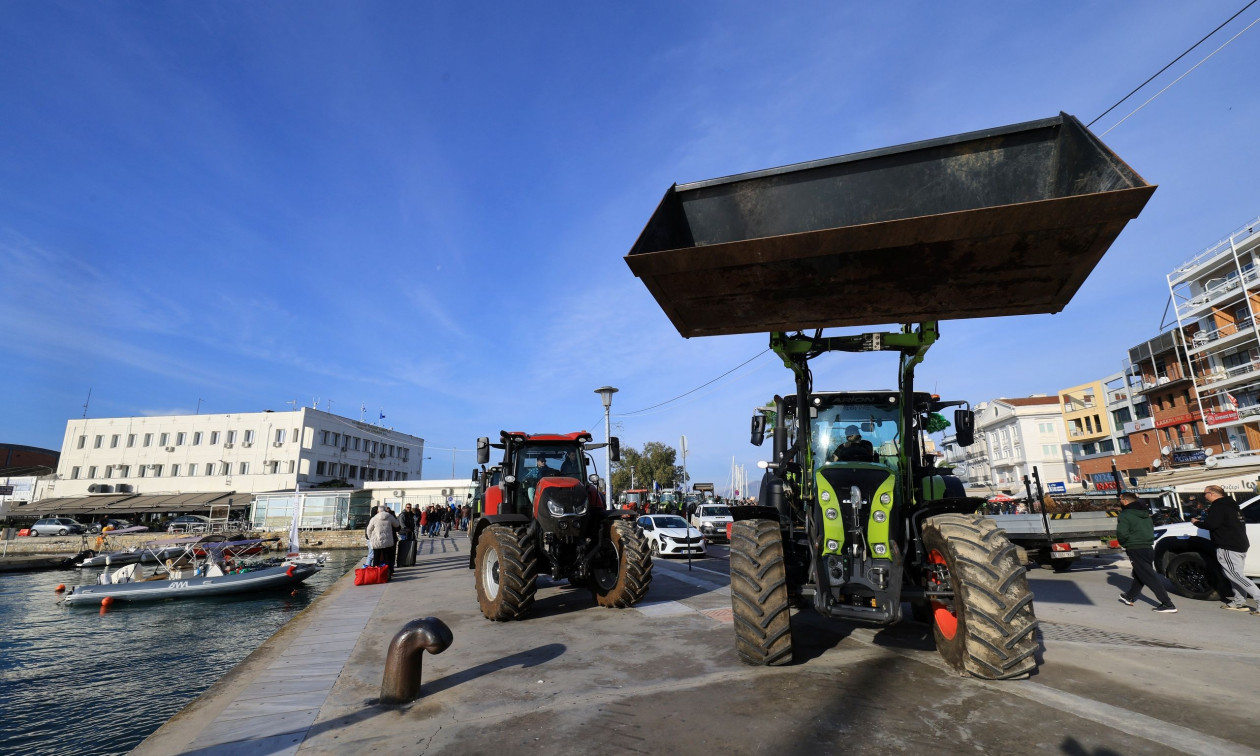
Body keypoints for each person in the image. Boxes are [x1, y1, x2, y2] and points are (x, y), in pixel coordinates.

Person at [1196, 485, 1259, 614]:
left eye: (1205, 494)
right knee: (1233, 574)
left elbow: (1210, 524)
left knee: (1235, 575)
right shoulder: (1233, 506)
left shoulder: (1218, 506)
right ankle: (1239, 601)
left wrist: (1196, 522)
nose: (1204, 496)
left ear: (1212, 494)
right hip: (1239, 544)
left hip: (1228, 546)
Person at [1116, 492, 1177, 613]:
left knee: (1149, 576)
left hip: (1135, 547)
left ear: (1126, 501)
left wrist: (1125, 543)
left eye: (1120, 499)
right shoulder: (1145, 514)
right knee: (1140, 573)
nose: (1119, 501)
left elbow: (1122, 533)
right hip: (1148, 547)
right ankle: (1129, 596)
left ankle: (1168, 604)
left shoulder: (1125, 515)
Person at [366, 504, 401, 572]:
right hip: (387, 541)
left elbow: (369, 530)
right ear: (385, 510)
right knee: (387, 558)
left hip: (377, 541)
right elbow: (397, 524)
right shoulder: (390, 516)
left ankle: (376, 573)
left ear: (378, 511)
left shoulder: (374, 518)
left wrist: (371, 538)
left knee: (376, 558)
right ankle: (387, 573)